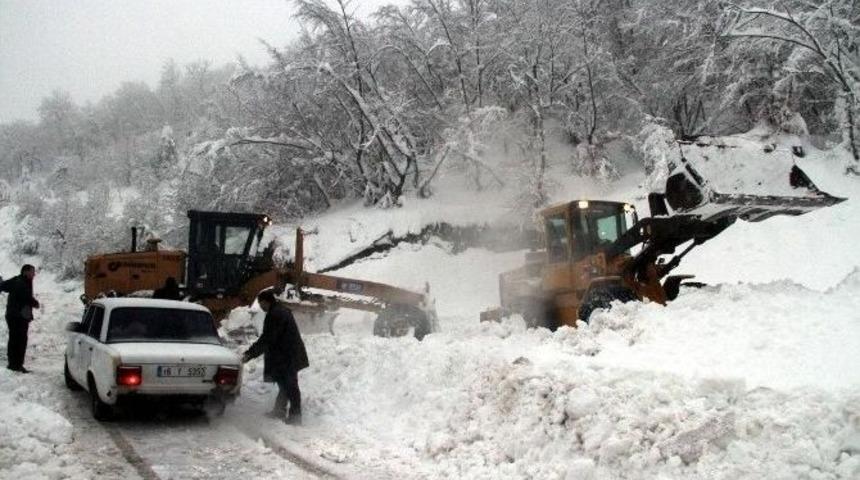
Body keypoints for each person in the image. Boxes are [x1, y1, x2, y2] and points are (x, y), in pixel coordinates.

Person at [242, 290, 308, 424]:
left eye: (261, 304)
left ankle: (296, 417)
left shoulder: (276, 314)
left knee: (290, 385)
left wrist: (249, 354)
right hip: (287, 354)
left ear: (266, 302)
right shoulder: (279, 310)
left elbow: (267, 339)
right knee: (284, 384)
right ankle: (279, 411)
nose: (260, 307)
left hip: (288, 356)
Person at [0, 265, 40, 373]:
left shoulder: (17, 280)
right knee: (19, 340)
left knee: (16, 339)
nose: (34, 274)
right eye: (32, 272)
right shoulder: (20, 283)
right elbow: (26, 297)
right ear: (25, 272)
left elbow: (3, 286)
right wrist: (35, 303)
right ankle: (15, 365)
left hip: (15, 315)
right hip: (18, 317)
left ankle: (15, 364)